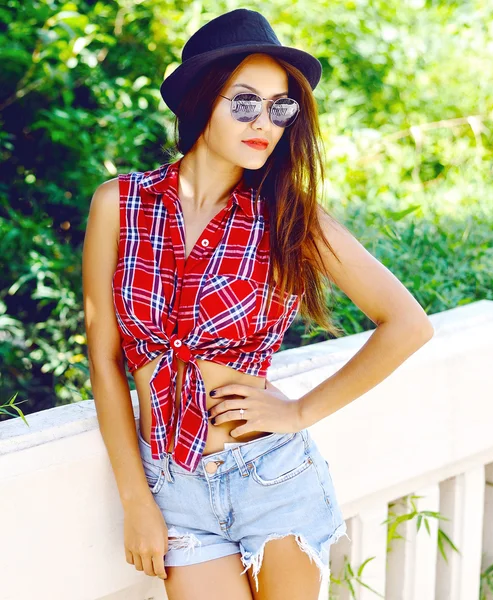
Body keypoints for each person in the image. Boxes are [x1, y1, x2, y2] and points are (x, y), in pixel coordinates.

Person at [82, 8, 434, 600]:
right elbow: (105, 361)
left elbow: (407, 324)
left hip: (273, 477)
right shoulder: (119, 205)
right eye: (244, 102)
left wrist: (299, 413)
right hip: (175, 488)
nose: (264, 122)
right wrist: (135, 498)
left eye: (280, 107)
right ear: (201, 101)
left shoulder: (289, 219)